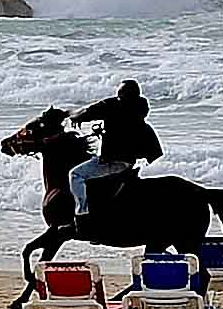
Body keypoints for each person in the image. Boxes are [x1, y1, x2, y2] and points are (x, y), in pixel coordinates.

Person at [68, 79, 163, 224]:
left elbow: (88, 112)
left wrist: (70, 115)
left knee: (75, 174)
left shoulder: (113, 106)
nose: (117, 96)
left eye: (119, 93)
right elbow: (124, 133)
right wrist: (106, 132)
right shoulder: (139, 111)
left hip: (113, 162)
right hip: (129, 163)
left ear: (122, 95)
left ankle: (82, 212)